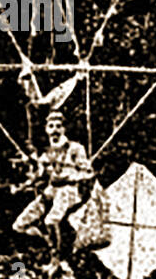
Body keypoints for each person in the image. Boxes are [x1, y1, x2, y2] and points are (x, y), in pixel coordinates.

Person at [11, 111, 96, 266]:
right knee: (19, 225)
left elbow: (88, 173)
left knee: (51, 220)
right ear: (46, 129)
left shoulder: (76, 148)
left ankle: (56, 259)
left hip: (68, 191)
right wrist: (22, 186)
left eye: (58, 126)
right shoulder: (47, 152)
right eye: (51, 126)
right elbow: (39, 175)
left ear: (64, 129)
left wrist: (70, 176)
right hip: (51, 191)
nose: (55, 130)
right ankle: (49, 243)